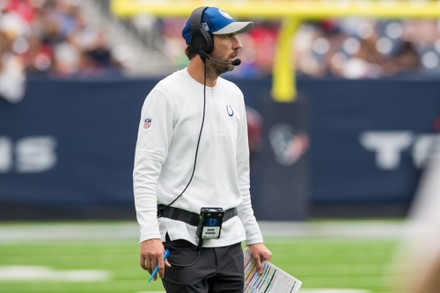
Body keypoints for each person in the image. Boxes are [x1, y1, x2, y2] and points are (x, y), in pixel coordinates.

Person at [133, 6, 272, 293]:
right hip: (182, 242)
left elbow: (240, 175)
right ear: (202, 42)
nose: (239, 43)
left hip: (231, 243)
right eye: (228, 36)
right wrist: (149, 235)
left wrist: (253, 236)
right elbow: (145, 172)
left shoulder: (235, 94)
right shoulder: (165, 95)